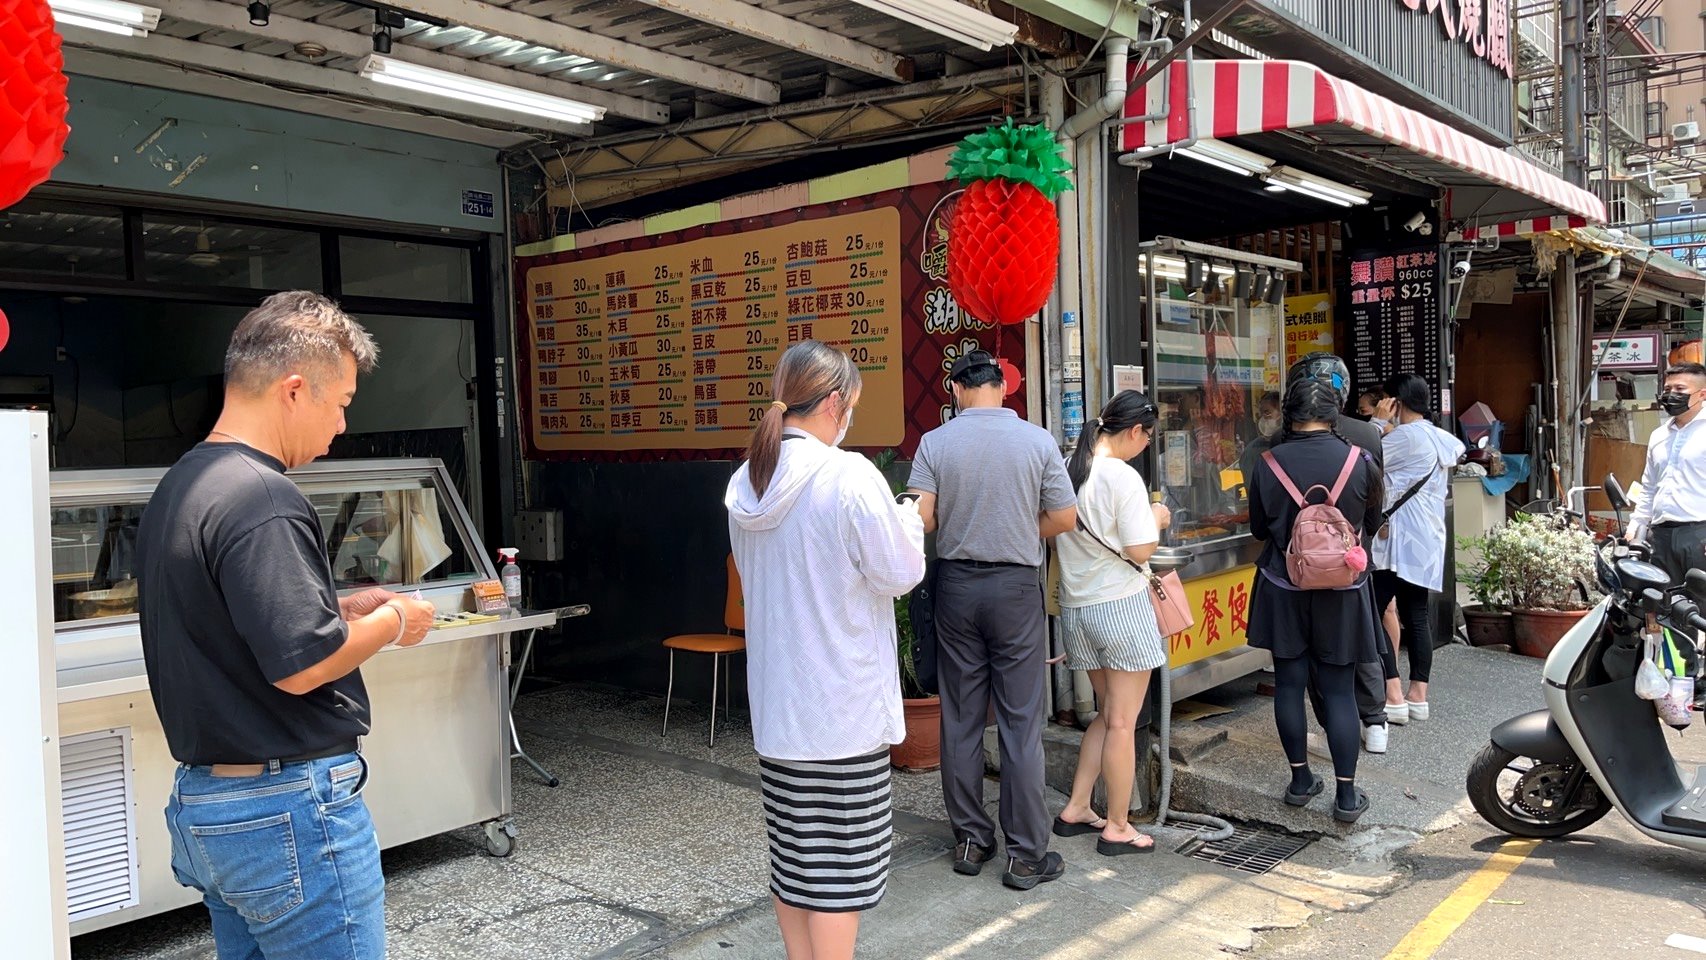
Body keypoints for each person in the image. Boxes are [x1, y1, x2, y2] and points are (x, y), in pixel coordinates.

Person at [136, 291, 436, 960]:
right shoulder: (263, 494)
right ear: (294, 390)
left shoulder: (183, 484)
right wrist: (394, 618)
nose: (341, 427)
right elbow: (301, 665)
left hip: (209, 805)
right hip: (286, 810)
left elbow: (235, 625)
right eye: (342, 404)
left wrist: (339, 609)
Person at [726, 340, 925, 960]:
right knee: (840, 872)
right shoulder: (848, 475)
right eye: (853, 406)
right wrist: (910, 519)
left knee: (794, 860)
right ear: (836, 402)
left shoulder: (747, 481)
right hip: (842, 709)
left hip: (780, 708)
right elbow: (899, 573)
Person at [906, 349, 1078, 890]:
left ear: (956, 390)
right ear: (1002, 387)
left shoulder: (936, 443)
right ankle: (1026, 855)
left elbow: (923, 517)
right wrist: (1022, 532)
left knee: (959, 716)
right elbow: (1066, 517)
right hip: (1014, 590)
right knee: (1020, 720)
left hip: (956, 586)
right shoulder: (1037, 440)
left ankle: (971, 839)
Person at [1247, 377, 1386, 823]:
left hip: (1283, 587)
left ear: (1289, 414)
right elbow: (1372, 522)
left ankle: (1301, 780)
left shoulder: (1267, 461)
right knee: (1339, 690)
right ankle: (1346, 796)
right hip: (1343, 592)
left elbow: (1258, 530)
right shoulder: (1360, 461)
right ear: (1333, 413)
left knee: (1289, 684)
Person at [1052, 391, 1167, 855]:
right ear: (1136, 431)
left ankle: (1078, 806)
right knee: (1123, 722)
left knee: (1106, 714)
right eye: (1147, 438)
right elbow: (1140, 550)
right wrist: (1157, 519)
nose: (1145, 447)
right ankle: (1118, 826)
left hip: (1078, 609)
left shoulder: (1068, 467)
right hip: (1119, 608)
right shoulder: (1122, 476)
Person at [1288, 354, 1397, 754]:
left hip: (1304, 562)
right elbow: (1375, 498)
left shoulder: (1288, 437)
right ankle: (1375, 719)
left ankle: (1335, 724)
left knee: (1319, 647)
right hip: (1354, 558)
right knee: (1364, 636)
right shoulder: (1367, 435)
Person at [1371, 373, 1465, 723]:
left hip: (1399, 542)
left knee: (1372, 611)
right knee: (1417, 613)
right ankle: (1418, 695)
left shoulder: (1406, 438)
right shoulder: (1439, 437)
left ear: (1397, 402)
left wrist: (1378, 423)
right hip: (1425, 542)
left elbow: (1364, 458)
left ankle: (1393, 693)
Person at [1629, 362, 1706, 584]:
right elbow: (1650, 486)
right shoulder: (1659, 435)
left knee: (1700, 609)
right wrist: (1637, 524)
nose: (1671, 395)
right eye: (1667, 389)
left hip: (1699, 534)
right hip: (1660, 536)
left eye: (1680, 390)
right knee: (1662, 605)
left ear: (1702, 394)